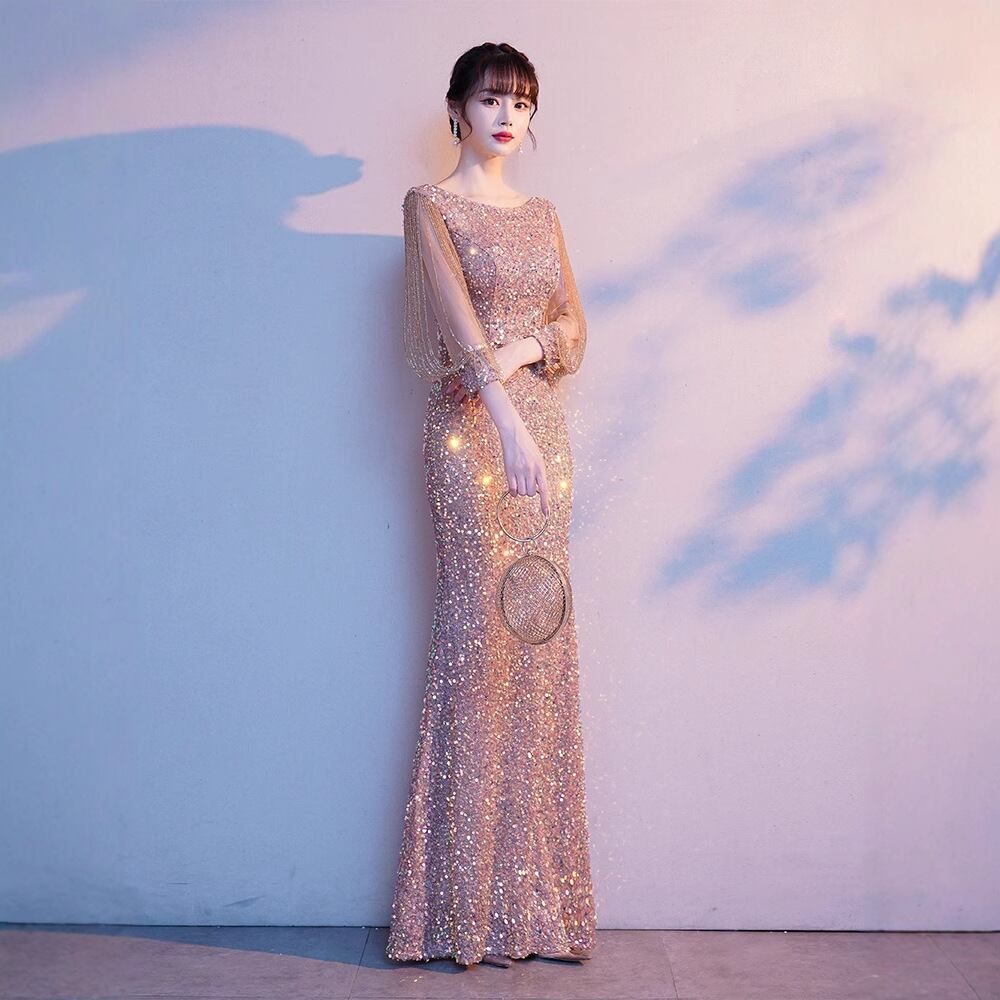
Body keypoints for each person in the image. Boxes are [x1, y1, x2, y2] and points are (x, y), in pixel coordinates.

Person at [385, 42, 596, 969]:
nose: (509, 116)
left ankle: (531, 906)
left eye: (522, 103)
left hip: (544, 437)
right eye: (491, 99)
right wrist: (506, 414)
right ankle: (459, 909)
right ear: (457, 110)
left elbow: (574, 329)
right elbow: (460, 334)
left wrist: (524, 355)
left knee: (538, 640)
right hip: (476, 439)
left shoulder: (544, 214)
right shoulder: (429, 206)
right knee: (477, 643)